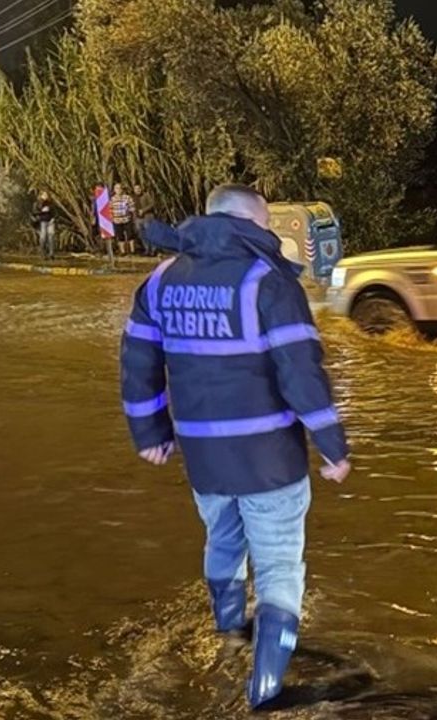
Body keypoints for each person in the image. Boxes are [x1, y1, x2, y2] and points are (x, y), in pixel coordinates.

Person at [120, 184, 352, 709]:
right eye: (266, 224)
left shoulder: (159, 281)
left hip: (204, 458)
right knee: (279, 568)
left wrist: (150, 433)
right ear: (251, 222)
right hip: (269, 459)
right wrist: (332, 446)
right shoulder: (267, 282)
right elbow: (301, 372)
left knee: (222, 541)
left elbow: (136, 364)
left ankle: (227, 636)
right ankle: (265, 691)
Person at [112, 183, 138, 255]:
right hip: (117, 221)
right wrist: (112, 218)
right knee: (120, 236)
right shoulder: (112, 199)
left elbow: (132, 207)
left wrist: (132, 215)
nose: (118, 190)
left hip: (127, 219)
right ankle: (123, 251)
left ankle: (132, 251)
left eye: (120, 188)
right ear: (114, 190)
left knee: (130, 235)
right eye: (117, 188)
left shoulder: (127, 197)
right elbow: (110, 209)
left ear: (122, 189)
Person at [31, 191, 56, 259]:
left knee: (51, 237)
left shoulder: (50, 203)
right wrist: (42, 211)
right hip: (42, 221)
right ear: (41, 195)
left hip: (50, 221)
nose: (46, 196)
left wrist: (53, 218)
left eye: (47, 194)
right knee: (43, 237)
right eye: (44, 194)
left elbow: (54, 211)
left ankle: (51, 254)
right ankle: (42, 253)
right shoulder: (37, 203)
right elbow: (34, 212)